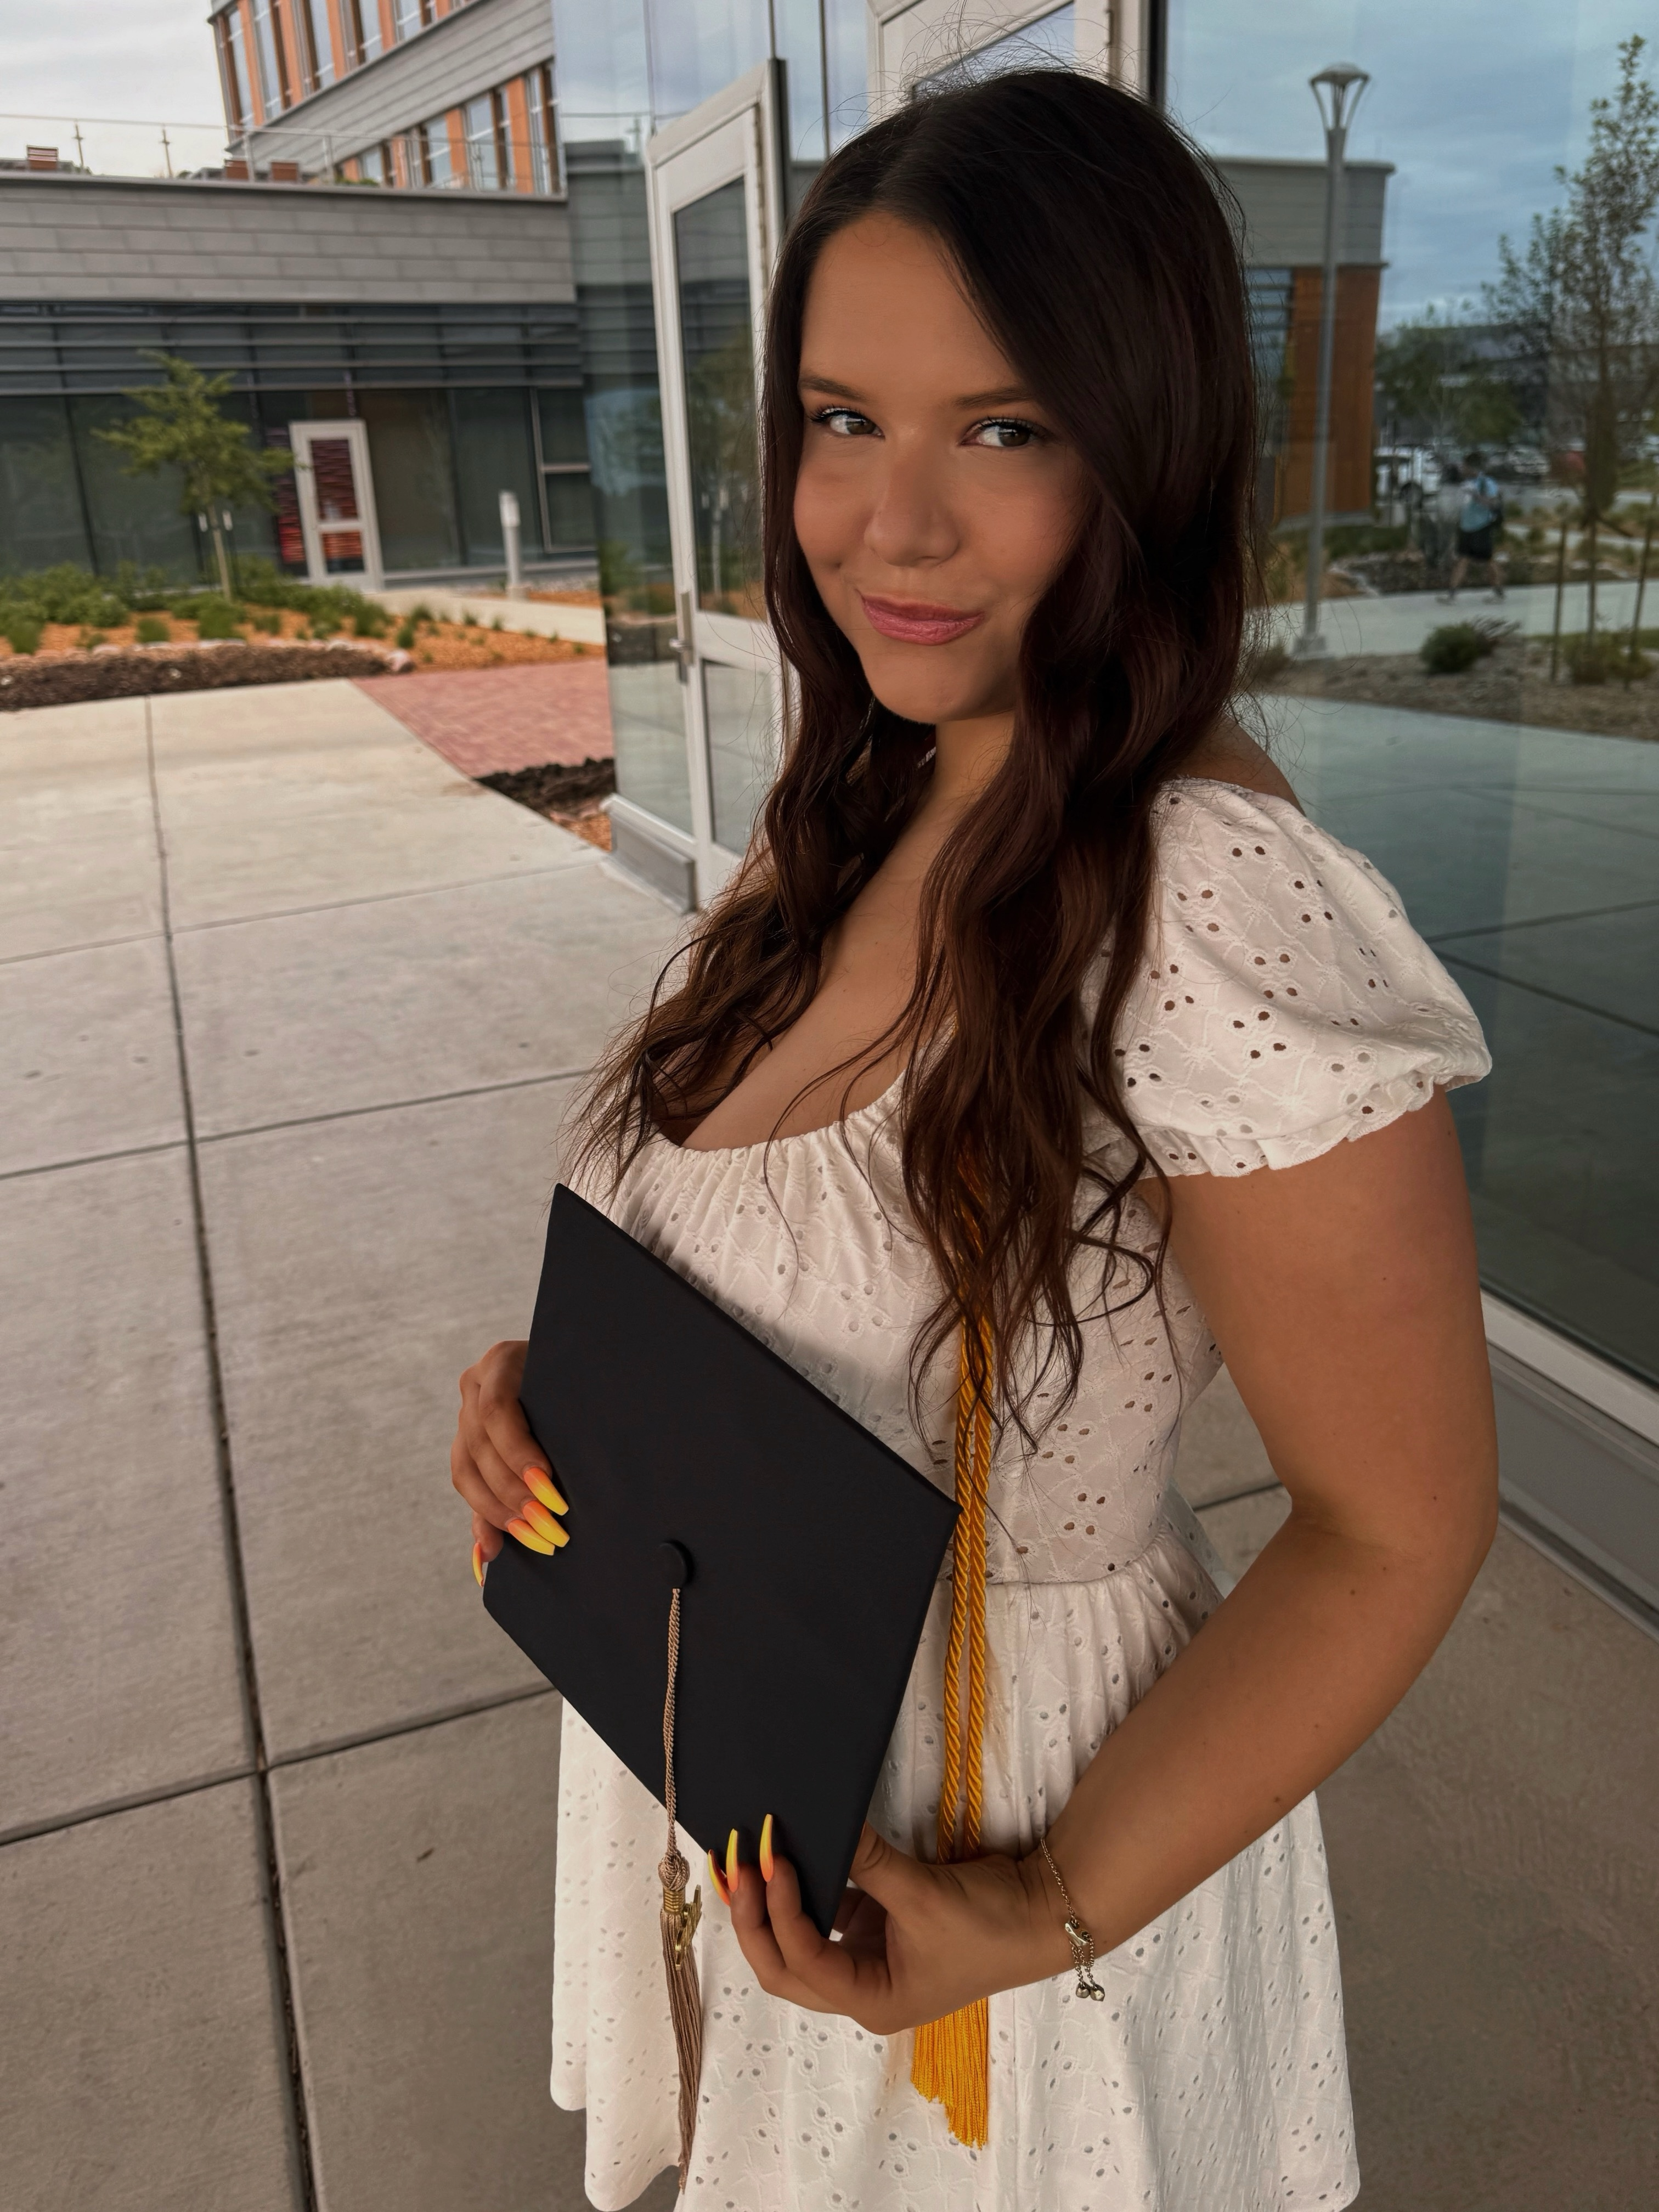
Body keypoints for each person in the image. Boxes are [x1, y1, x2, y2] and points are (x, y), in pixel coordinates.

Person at [451, 69, 1496, 2212]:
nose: (890, 525)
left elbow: (1400, 1526)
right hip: (748, 1745)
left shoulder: (1201, 897)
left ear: (1153, 450)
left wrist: (1043, 1911)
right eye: (844, 418)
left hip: (988, 1850)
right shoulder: (874, 789)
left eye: (1003, 432)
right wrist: (561, 1412)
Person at [1440, 449, 1506, 599]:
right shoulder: (1467, 483)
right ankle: (1452, 594)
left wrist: (1475, 495)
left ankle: (1498, 590)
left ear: (1472, 467)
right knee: (1463, 559)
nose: (1462, 469)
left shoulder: (1486, 483)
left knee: (1488, 561)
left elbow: (1493, 503)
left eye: (1464, 466)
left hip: (1481, 527)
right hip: (1466, 527)